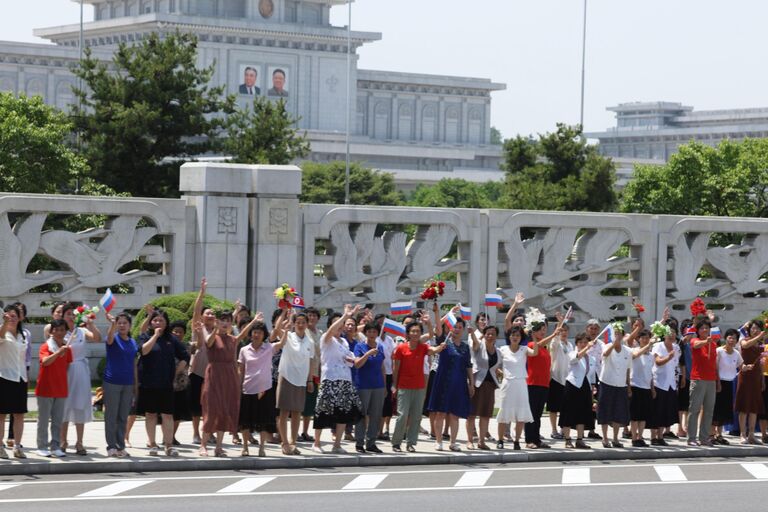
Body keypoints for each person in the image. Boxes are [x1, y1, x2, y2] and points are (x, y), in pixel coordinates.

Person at [136, 309, 190, 457]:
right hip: (148, 382)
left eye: (161, 320)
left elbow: (185, 356)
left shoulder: (172, 339)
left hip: (166, 383)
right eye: (155, 320)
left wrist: (176, 371)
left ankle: (168, 445)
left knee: (167, 415)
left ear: (166, 323)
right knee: (151, 414)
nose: (158, 323)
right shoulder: (145, 336)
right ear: (150, 322)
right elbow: (143, 351)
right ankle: (152, 444)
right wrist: (154, 336)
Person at [313, 306, 364, 454]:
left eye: (342, 324)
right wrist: (345, 315)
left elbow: (349, 359)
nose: (340, 326)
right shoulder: (326, 338)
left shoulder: (344, 342)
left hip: (345, 379)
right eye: (338, 324)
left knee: (343, 413)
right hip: (330, 379)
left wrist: (353, 359)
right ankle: (316, 443)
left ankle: (337, 444)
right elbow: (331, 332)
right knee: (322, 411)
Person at [391, 321, 446, 452]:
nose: (415, 333)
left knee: (416, 416)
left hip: (419, 386)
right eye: (413, 331)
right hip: (404, 387)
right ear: (408, 333)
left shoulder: (424, 347)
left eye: (417, 331)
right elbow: (396, 369)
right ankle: (396, 442)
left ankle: (411, 443)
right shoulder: (401, 348)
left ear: (420, 333)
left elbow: (433, 350)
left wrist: (440, 347)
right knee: (402, 415)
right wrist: (394, 385)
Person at [197, 311, 246, 457]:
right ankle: (203, 445)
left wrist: (254, 321)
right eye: (222, 320)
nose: (225, 324)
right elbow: (208, 343)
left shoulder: (232, 339)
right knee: (211, 410)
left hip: (229, 376)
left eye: (228, 321)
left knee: (225, 411)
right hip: (214, 375)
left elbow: (243, 335)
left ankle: (218, 447)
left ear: (231, 324)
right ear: (217, 322)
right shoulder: (212, 335)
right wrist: (216, 330)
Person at [61, 302, 102, 455]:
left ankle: (80, 442)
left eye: (73, 314)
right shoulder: (59, 332)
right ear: (63, 316)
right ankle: (63, 441)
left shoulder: (82, 330)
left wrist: (91, 324)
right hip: (65, 371)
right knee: (64, 406)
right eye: (68, 314)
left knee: (79, 405)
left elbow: (97, 338)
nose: (71, 317)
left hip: (80, 370)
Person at [427, 314, 473, 452]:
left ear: (463, 329)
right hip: (443, 382)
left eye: (460, 327)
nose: (457, 329)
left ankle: (453, 442)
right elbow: (437, 328)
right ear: (450, 328)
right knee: (440, 413)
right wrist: (437, 311)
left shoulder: (465, 347)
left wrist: (471, 383)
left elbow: (468, 366)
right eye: (454, 327)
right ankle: (438, 441)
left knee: (455, 415)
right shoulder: (444, 343)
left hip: (459, 384)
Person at [274, 310, 314, 455]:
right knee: (284, 412)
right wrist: (284, 312)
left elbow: (310, 361)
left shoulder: (310, 341)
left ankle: (293, 442)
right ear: (294, 324)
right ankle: (284, 443)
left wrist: (310, 380)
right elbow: (277, 329)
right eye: (298, 322)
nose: (301, 325)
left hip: (301, 380)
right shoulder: (288, 336)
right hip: (286, 377)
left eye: (303, 322)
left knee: (297, 412)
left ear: (307, 324)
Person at [597, 320, 641, 448]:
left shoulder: (627, 350)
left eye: (619, 334)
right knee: (605, 412)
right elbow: (605, 355)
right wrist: (613, 343)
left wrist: (628, 386)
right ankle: (605, 438)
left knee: (618, 412)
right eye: (615, 334)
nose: (617, 336)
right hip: (607, 383)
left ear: (623, 335)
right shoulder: (606, 346)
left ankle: (615, 438)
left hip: (621, 385)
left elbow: (628, 369)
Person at [524, 313, 563, 449]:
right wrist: (552, 335)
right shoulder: (531, 345)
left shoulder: (545, 348)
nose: (542, 332)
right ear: (533, 332)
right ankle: (529, 440)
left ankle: (537, 439)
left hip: (544, 384)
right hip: (533, 384)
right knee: (532, 414)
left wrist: (560, 324)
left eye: (543, 329)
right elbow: (538, 345)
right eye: (540, 330)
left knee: (538, 414)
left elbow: (549, 341)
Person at [103, 311, 139, 457]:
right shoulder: (113, 338)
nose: (122, 325)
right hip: (112, 382)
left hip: (128, 383)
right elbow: (109, 338)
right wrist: (111, 325)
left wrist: (136, 385)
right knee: (111, 416)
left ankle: (120, 446)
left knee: (123, 416)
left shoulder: (132, 342)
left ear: (130, 325)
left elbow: (134, 364)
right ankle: (111, 446)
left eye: (125, 323)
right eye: (119, 323)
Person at [237, 316, 274, 457]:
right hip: (247, 388)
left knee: (264, 420)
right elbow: (241, 370)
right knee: (245, 421)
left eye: (260, 332)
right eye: (254, 332)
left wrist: (286, 316)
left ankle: (262, 448)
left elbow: (282, 340)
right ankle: (245, 447)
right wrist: (239, 386)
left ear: (264, 335)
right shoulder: (244, 350)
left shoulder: (269, 348)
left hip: (265, 389)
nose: (256, 335)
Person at [35, 319, 72, 458]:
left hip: (61, 389)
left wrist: (62, 351)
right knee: (43, 420)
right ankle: (42, 446)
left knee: (57, 420)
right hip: (45, 388)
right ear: (51, 332)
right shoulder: (46, 346)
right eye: (56, 330)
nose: (59, 332)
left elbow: (67, 366)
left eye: (62, 329)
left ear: (66, 331)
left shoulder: (67, 348)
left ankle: (55, 446)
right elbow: (45, 362)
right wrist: (58, 353)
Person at [496, 326, 537, 450]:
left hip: (520, 384)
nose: (515, 337)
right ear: (509, 337)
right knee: (503, 413)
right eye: (513, 335)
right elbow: (495, 365)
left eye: (518, 335)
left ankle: (517, 441)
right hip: (507, 384)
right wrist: (501, 373)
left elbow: (535, 353)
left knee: (521, 415)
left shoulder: (524, 349)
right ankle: (500, 440)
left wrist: (534, 338)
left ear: (521, 338)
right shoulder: (502, 349)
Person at [0, 304, 29, 459]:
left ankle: (17, 446)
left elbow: (23, 359)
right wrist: (4, 324)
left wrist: (26, 377)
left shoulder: (23, 334)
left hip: (20, 378)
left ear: (20, 318)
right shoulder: (2, 330)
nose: (11, 319)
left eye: (15, 316)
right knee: (2, 415)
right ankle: (0, 446)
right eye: (9, 316)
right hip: (5, 377)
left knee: (19, 414)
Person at [467, 325, 502, 450]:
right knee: (471, 414)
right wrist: (472, 334)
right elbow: (475, 343)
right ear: (484, 334)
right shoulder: (479, 346)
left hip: (490, 385)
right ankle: (470, 440)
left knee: (485, 414)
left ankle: (481, 441)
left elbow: (497, 367)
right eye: (488, 333)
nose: (490, 336)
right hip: (477, 383)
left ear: (496, 336)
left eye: (493, 334)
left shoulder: (498, 351)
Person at [353, 323, 386, 453]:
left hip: (378, 385)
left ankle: (371, 442)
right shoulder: (359, 346)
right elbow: (357, 364)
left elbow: (382, 367)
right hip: (363, 385)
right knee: (362, 414)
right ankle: (359, 442)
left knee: (376, 415)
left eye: (374, 332)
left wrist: (384, 386)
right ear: (366, 333)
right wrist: (367, 354)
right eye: (369, 331)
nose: (372, 334)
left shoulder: (380, 347)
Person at [559, 332, 595, 449]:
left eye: (585, 342)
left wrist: (592, 387)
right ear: (577, 343)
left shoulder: (591, 358)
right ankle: (567, 439)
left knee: (582, 413)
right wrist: (586, 348)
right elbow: (575, 359)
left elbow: (591, 374)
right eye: (581, 342)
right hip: (572, 385)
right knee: (568, 413)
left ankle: (580, 439)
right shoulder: (572, 353)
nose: (583, 344)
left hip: (585, 386)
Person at [687, 317, 719, 446]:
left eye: (707, 328)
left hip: (711, 380)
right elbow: (696, 345)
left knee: (709, 410)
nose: (705, 330)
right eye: (702, 328)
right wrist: (706, 341)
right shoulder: (695, 340)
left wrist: (718, 380)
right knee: (694, 409)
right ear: (698, 331)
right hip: (698, 379)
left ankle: (704, 437)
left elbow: (714, 363)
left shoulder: (714, 343)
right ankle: (691, 438)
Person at [648, 326, 681, 446]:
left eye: (673, 333)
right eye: (669, 333)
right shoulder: (658, 345)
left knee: (666, 411)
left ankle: (661, 435)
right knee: (656, 410)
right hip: (659, 382)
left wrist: (677, 383)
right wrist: (668, 357)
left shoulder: (676, 347)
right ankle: (653, 436)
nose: (671, 335)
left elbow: (676, 367)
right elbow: (657, 361)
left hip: (671, 383)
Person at [734, 320, 766, 444]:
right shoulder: (744, 339)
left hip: (756, 377)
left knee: (754, 407)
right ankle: (743, 434)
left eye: (758, 328)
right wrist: (759, 337)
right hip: (745, 376)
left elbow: (760, 362)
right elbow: (745, 346)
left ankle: (752, 434)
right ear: (749, 330)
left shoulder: (760, 343)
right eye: (753, 328)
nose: (755, 330)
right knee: (743, 406)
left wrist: (762, 379)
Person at [714, 328, 743, 444]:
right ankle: (712, 434)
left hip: (730, 383)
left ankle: (719, 435)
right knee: (716, 409)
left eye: (734, 338)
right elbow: (715, 368)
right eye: (730, 337)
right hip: (719, 382)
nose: (732, 340)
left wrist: (747, 367)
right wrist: (718, 382)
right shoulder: (719, 351)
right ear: (725, 338)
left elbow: (741, 366)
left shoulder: (736, 353)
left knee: (724, 410)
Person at [299, 307, 322, 443]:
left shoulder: (320, 333)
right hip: (302, 371)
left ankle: (305, 432)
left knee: (309, 405)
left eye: (314, 315)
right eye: (310, 315)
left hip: (315, 372)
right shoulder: (303, 332)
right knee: (297, 404)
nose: (312, 318)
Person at [629, 329, 654, 447]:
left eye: (647, 338)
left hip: (646, 387)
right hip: (635, 386)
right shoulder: (634, 350)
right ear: (639, 339)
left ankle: (640, 437)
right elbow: (635, 356)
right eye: (643, 338)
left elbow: (651, 373)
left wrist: (652, 388)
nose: (645, 340)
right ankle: (634, 438)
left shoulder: (651, 355)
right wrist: (648, 346)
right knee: (635, 416)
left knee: (643, 415)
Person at [548, 323, 572, 440]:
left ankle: (563, 429)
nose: (564, 332)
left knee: (566, 407)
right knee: (553, 407)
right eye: (562, 330)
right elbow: (553, 344)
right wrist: (556, 332)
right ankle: (554, 430)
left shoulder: (570, 345)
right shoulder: (556, 343)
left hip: (567, 379)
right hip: (556, 378)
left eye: (566, 330)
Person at [169, 321, 191, 446]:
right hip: (167, 384)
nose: (177, 333)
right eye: (175, 331)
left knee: (178, 414)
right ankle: (166, 436)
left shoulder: (186, 346)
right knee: (167, 413)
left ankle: (172, 436)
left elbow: (199, 344)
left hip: (181, 384)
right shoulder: (167, 344)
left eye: (180, 332)